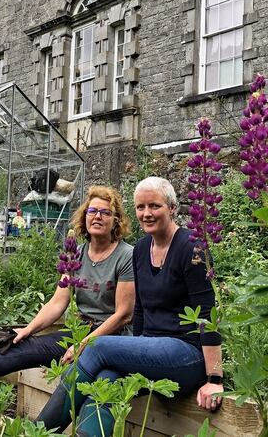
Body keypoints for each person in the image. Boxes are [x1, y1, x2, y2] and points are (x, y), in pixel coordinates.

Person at [37, 177, 223, 436]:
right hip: (151, 349)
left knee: (96, 346)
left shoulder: (192, 247)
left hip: (185, 355)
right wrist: (134, 351)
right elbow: (139, 311)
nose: (146, 214)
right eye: (140, 207)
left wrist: (215, 379)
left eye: (154, 206)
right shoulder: (141, 248)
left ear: (172, 208)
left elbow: (207, 315)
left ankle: (36, 431)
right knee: (107, 378)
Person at [0, 185, 135, 379]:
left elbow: (123, 315)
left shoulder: (125, 255)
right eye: (92, 211)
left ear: (116, 221)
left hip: (109, 338)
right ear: (85, 216)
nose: (97, 216)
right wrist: (27, 330)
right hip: (79, 331)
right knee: (20, 347)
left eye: (105, 212)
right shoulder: (76, 254)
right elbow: (58, 303)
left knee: (79, 377)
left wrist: (83, 345)